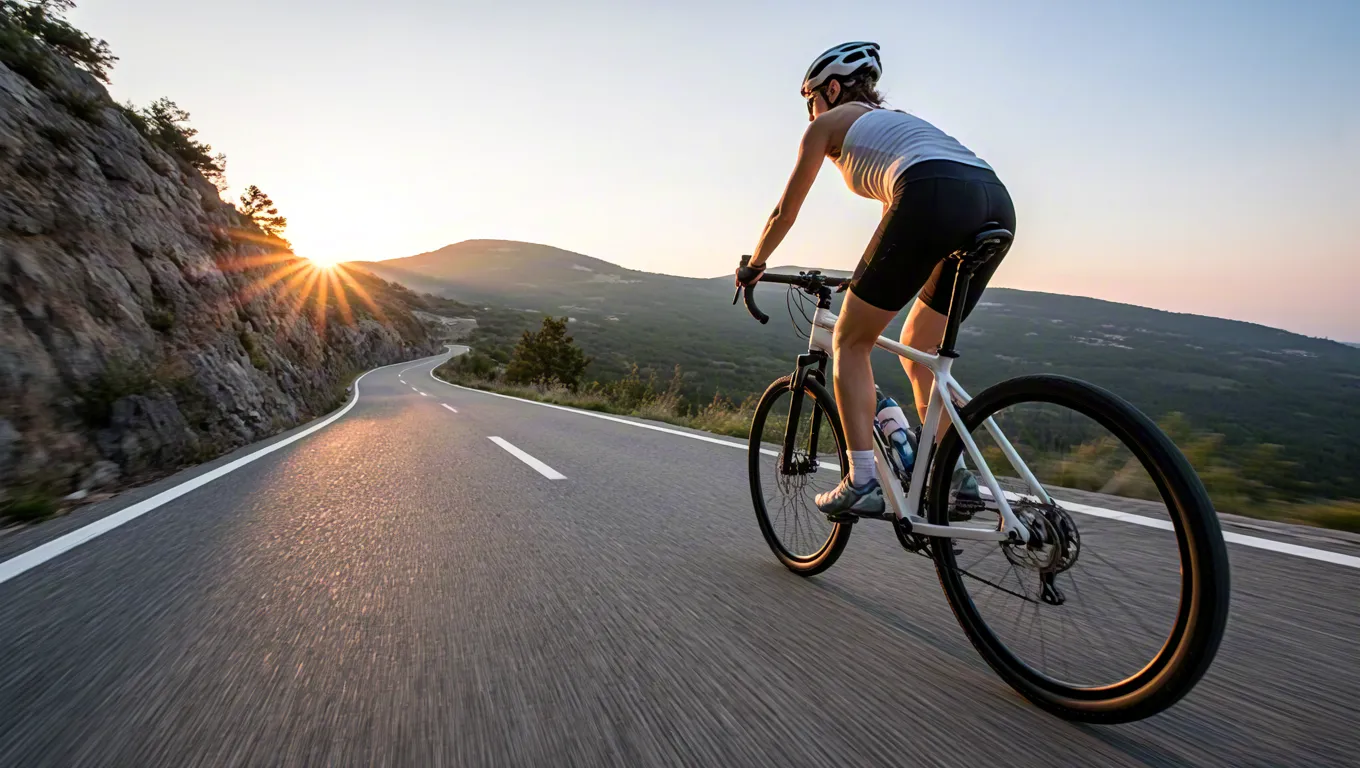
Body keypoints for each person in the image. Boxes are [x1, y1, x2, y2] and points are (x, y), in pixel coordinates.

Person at [734, 41, 1016, 517]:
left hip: (929, 192)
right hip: (993, 199)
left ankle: (861, 479)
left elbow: (786, 211)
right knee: (922, 347)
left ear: (833, 88)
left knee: (849, 341)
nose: (810, 113)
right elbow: (901, 222)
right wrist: (864, 277)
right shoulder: (898, 124)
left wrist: (755, 262)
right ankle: (956, 476)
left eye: (810, 100)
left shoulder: (827, 126)